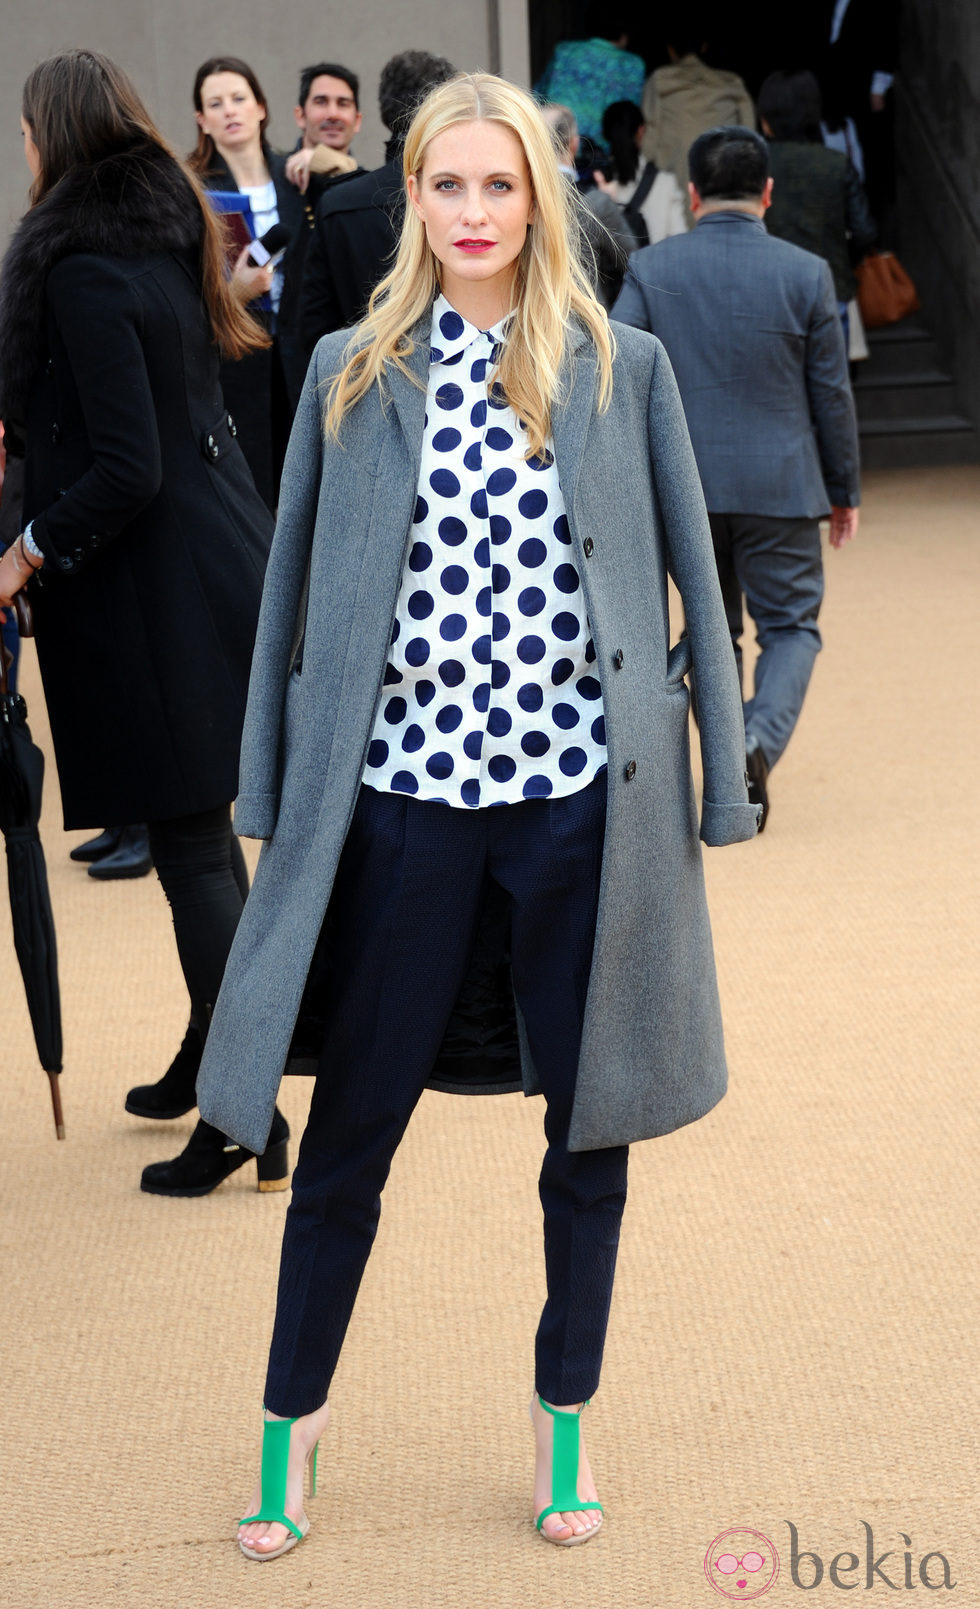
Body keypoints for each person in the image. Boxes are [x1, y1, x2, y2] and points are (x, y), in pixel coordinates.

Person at [195, 71, 759, 1560]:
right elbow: (286, 607)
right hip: (405, 814)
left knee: (592, 1132)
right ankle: (289, 1431)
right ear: (412, 194)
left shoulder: (620, 366)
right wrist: (267, 786)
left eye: (496, 188)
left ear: (540, 199)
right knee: (349, 1141)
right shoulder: (346, 370)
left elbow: (695, 575)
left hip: (583, 811)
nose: (469, 215)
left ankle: (563, 1421)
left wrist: (723, 780)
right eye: (444, 186)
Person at [0, 48, 286, 1193]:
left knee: (191, 846)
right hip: (210, 558)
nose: (21, 148)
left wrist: (22, 551)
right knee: (199, 839)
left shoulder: (77, 266)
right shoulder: (164, 234)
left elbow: (124, 465)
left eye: (26, 130)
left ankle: (247, 1113)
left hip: (158, 586)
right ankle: (219, 1050)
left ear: (55, 137)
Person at [613, 125, 861, 828]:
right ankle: (755, 742)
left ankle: (728, 766)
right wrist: (844, 491)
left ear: (692, 194)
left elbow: (616, 368)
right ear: (769, 193)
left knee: (713, 631)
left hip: (683, 487)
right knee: (791, 628)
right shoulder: (805, 272)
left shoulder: (652, 268)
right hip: (783, 486)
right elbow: (832, 394)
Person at [189, 56, 353, 502]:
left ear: (261, 107)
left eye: (239, 98)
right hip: (234, 360)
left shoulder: (295, 174)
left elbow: (359, 181)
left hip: (300, 356)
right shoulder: (192, 191)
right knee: (249, 493)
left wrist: (318, 156)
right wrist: (233, 293)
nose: (230, 111)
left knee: (308, 490)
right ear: (202, 119)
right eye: (216, 103)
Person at [300, 49, 455, 351]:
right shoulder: (465, 202)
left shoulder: (338, 204)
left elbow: (313, 329)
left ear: (384, 112)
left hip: (358, 380)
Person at [757, 68, 876, 345]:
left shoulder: (753, 165)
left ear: (765, 122)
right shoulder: (836, 164)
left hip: (768, 298)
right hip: (830, 292)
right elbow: (865, 232)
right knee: (830, 386)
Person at [641, 24, 754, 224]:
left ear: (670, 49)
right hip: (724, 198)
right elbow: (751, 142)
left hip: (675, 194)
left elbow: (648, 145)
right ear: (704, 48)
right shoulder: (732, 84)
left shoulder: (659, 81)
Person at [540, 103, 638, 308]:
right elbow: (637, 267)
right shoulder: (596, 202)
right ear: (574, 144)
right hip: (589, 323)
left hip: (528, 323)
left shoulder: (515, 198)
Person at [535, 10, 646, 150]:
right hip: (602, 157)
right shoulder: (631, 65)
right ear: (625, 35)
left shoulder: (564, 52)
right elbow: (628, 120)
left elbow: (537, 97)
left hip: (557, 148)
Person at [594, 99, 687, 248]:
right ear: (641, 131)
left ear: (605, 134)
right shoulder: (666, 182)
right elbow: (679, 241)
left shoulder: (594, 182)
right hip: (652, 269)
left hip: (606, 271)